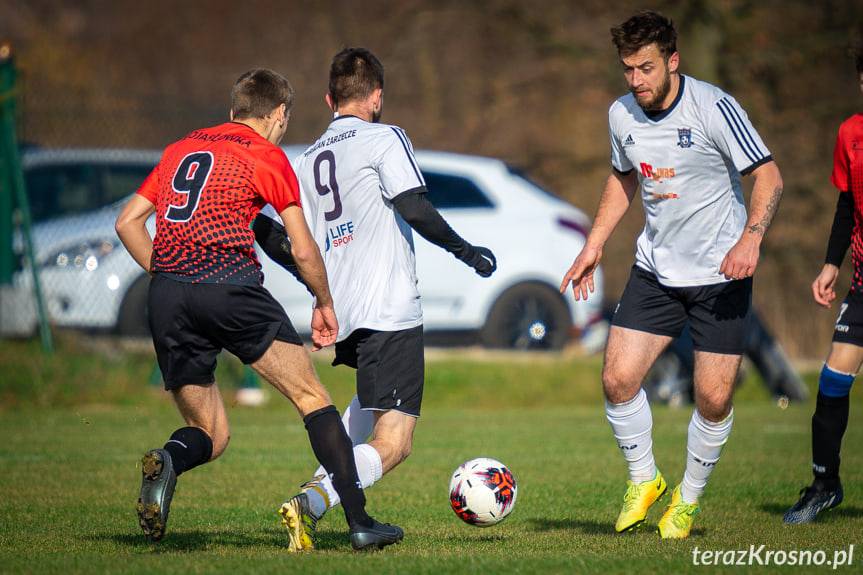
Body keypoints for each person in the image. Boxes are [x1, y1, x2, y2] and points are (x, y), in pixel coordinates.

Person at [114, 68, 402, 551]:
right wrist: (325, 301)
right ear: (279, 115)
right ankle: (359, 522)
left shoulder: (179, 149)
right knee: (313, 399)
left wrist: (169, 276)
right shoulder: (265, 155)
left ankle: (168, 458)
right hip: (230, 289)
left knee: (210, 432)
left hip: (167, 295)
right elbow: (303, 248)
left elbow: (128, 223)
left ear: (234, 111)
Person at [253, 47, 497, 551]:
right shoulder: (385, 137)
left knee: (365, 407)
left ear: (329, 98)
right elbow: (414, 206)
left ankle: (312, 498)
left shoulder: (309, 156)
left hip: (343, 312)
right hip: (389, 308)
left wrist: (314, 287)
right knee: (395, 442)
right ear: (378, 96)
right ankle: (312, 502)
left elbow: (276, 235)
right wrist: (467, 252)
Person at [559, 11, 783, 539]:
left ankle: (688, 498)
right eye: (628, 70)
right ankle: (645, 480)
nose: (636, 80)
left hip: (720, 276)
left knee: (713, 398)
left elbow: (768, 176)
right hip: (655, 270)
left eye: (646, 68)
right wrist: (593, 245)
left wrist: (751, 237)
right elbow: (622, 180)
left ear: (673, 61)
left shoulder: (714, 107)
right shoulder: (621, 115)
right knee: (617, 379)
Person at [784, 44, 863, 524]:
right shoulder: (850, 134)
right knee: (833, 378)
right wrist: (831, 263)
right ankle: (824, 484)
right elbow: (845, 205)